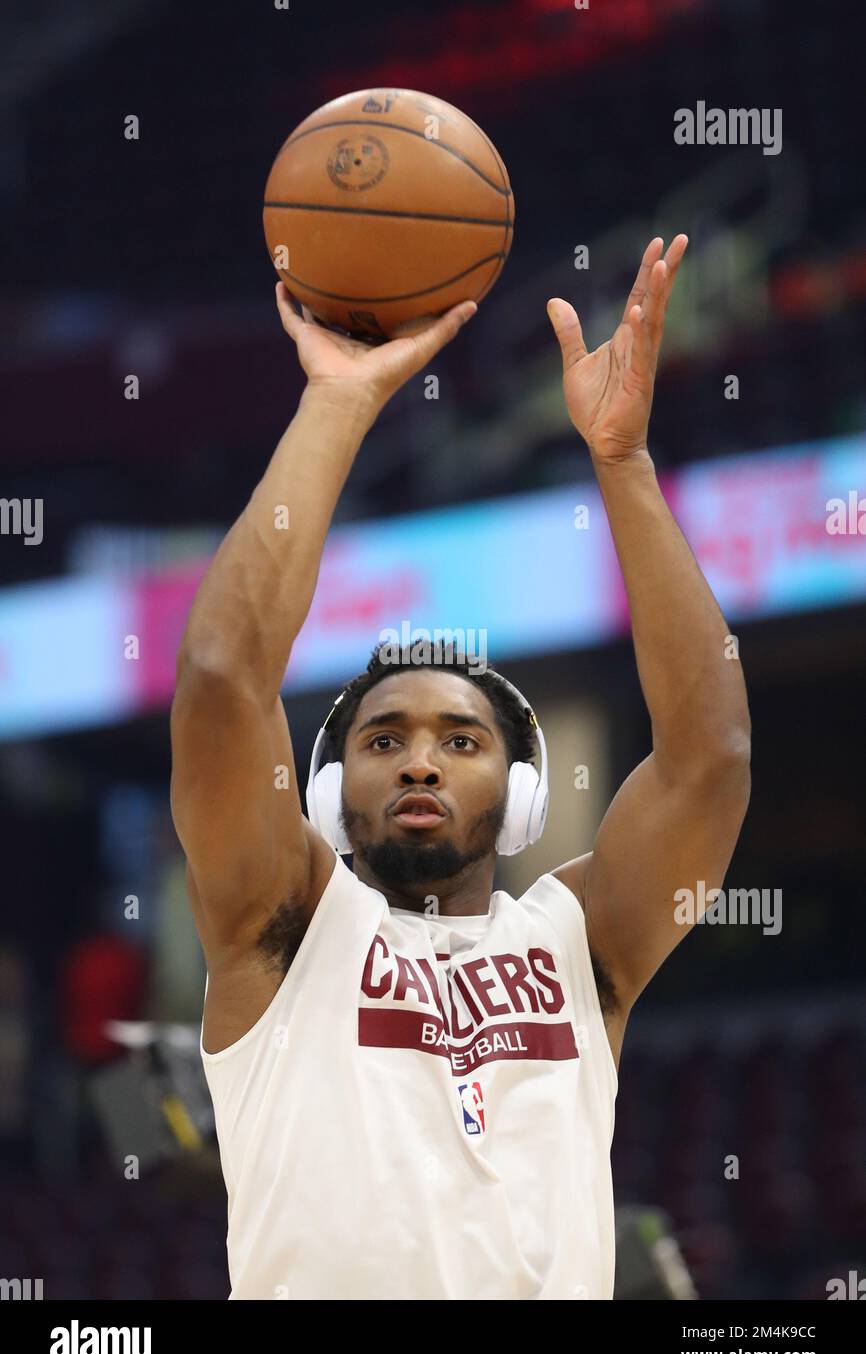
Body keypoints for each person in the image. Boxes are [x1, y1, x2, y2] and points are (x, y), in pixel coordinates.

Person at [170, 236, 751, 1299]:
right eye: (381, 740)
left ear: (521, 793)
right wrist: (337, 403)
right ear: (328, 796)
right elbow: (219, 678)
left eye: (461, 739)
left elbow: (708, 758)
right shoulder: (282, 927)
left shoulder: (581, 939)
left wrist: (620, 464)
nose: (420, 762)